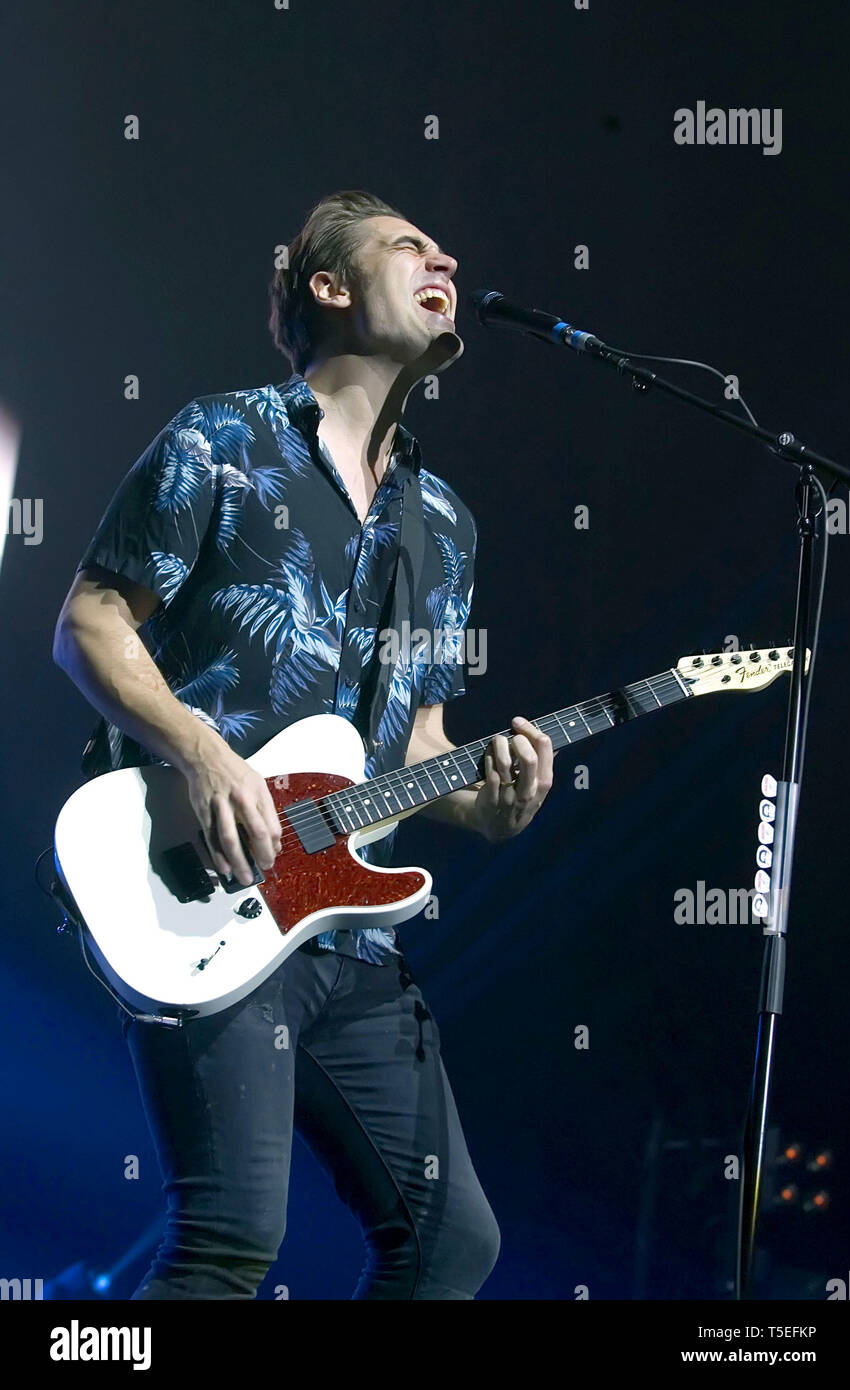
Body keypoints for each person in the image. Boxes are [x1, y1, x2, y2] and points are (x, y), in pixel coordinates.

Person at [53, 190, 554, 1299]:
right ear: (329, 285)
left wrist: (490, 804)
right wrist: (198, 747)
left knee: (451, 1243)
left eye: (443, 248)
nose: (448, 257)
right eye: (409, 246)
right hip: (205, 889)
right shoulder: (221, 439)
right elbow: (89, 621)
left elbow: (416, 742)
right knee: (233, 1235)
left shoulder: (446, 524)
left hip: (349, 937)